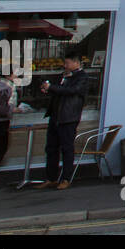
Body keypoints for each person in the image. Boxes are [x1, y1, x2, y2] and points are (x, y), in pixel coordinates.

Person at [37, 50, 89, 190]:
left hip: (68, 117)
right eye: (64, 63)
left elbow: (72, 91)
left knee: (67, 148)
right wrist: (48, 88)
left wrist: (53, 87)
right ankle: (51, 178)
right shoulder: (63, 76)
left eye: (67, 63)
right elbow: (58, 89)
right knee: (51, 148)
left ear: (76, 63)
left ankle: (66, 178)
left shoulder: (82, 77)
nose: (65, 65)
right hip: (56, 116)